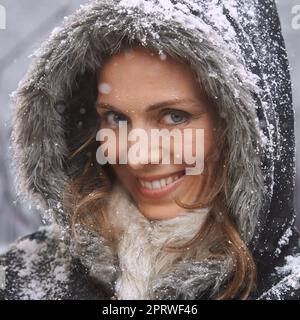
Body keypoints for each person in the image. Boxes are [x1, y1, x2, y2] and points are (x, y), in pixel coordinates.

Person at [0, 0, 299, 300]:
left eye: (174, 116)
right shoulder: (20, 278)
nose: (138, 157)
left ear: (240, 130)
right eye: (116, 118)